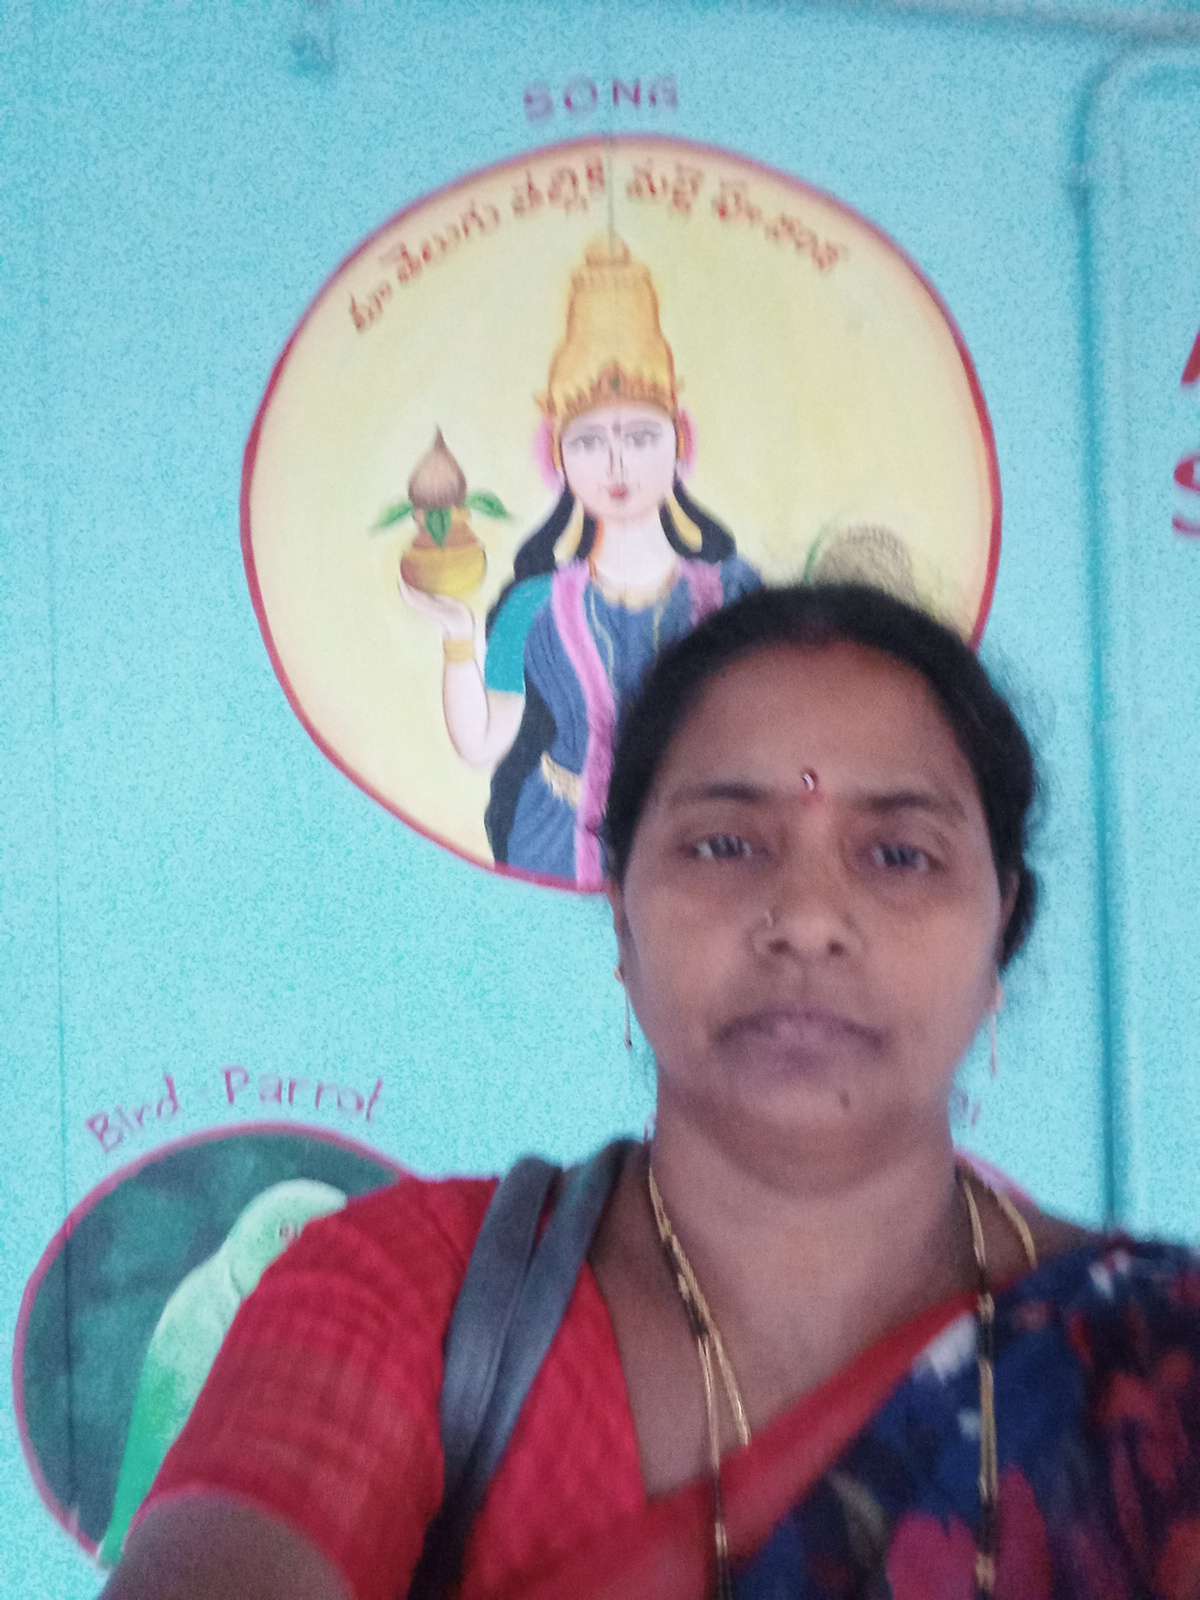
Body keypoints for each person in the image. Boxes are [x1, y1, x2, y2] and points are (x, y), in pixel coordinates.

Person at [103, 583, 1200, 1600]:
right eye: (724, 844)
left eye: (899, 855)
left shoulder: (1157, 1363)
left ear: (1002, 932)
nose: (807, 918)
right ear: (622, 922)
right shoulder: (407, 1297)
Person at [400, 235, 759, 888]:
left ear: (681, 443)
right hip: (555, 839)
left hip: (707, 848)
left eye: (641, 437)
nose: (617, 465)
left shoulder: (735, 595)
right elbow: (481, 744)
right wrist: (458, 638)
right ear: (556, 456)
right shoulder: (531, 606)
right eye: (590, 442)